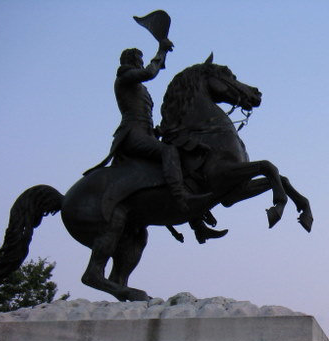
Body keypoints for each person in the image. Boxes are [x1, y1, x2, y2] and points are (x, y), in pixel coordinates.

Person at [88, 39, 226, 243]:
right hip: (132, 134)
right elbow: (149, 73)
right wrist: (161, 52)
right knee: (169, 152)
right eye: (138, 59)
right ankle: (181, 197)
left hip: (146, 133)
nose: (140, 63)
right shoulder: (125, 77)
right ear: (130, 60)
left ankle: (197, 224)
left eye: (141, 59)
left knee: (182, 157)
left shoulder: (139, 87)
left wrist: (160, 130)